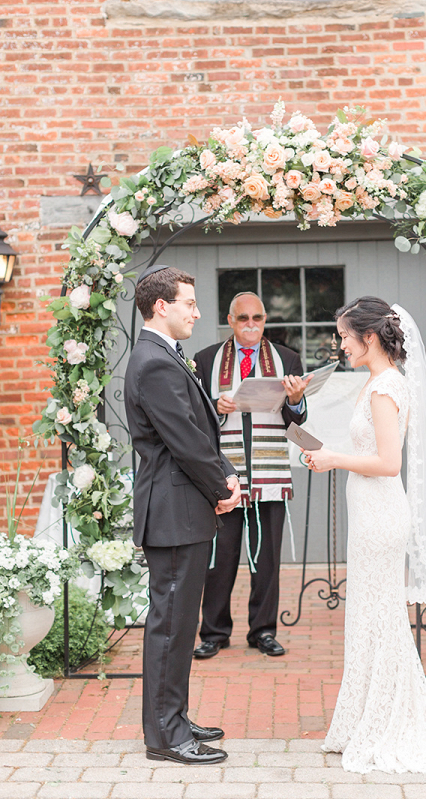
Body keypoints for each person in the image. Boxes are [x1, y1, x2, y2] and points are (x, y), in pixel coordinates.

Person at [304, 296, 426, 775]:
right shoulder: (380, 382)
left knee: (379, 619)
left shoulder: (384, 387)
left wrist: (334, 459)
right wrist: (331, 452)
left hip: (379, 516)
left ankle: (386, 723)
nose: (340, 345)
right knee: (368, 619)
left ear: (369, 337)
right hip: (372, 513)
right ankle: (363, 719)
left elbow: (388, 463)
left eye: (344, 336)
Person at [124, 265, 241, 766]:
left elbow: (200, 427)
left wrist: (227, 472)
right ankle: (165, 737)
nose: (197, 312)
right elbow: (186, 441)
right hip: (173, 511)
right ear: (160, 307)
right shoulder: (153, 362)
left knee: (178, 622)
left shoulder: (167, 357)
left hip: (182, 508)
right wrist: (221, 486)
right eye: (189, 303)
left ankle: (174, 717)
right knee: (170, 626)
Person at [192, 291, 310, 659]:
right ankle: (214, 632)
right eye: (243, 318)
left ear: (264, 321)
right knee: (219, 558)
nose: (250, 326)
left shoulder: (287, 359)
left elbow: (297, 420)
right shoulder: (207, 360)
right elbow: (192, 416)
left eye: (257, 318)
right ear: (230, 320)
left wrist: (294, 401)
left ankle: (263, 630)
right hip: (223, 477)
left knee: (267, 560)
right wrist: (215, 405)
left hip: (269, 474)